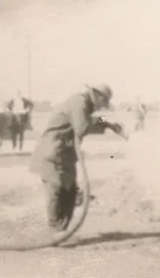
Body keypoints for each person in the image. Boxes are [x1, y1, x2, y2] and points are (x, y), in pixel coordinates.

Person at [28, 84, 121, 232]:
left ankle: (61, 230)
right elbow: (82, 127)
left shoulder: (87, 105)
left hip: (64, 152)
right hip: (53, 150)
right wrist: (103, 125)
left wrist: (109, 124)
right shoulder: (80, 102)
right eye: (103, 103)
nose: (102, 108)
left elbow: (93, 119)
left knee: (69, 191)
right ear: (98, 96)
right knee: (56, 188)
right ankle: (55, 230)